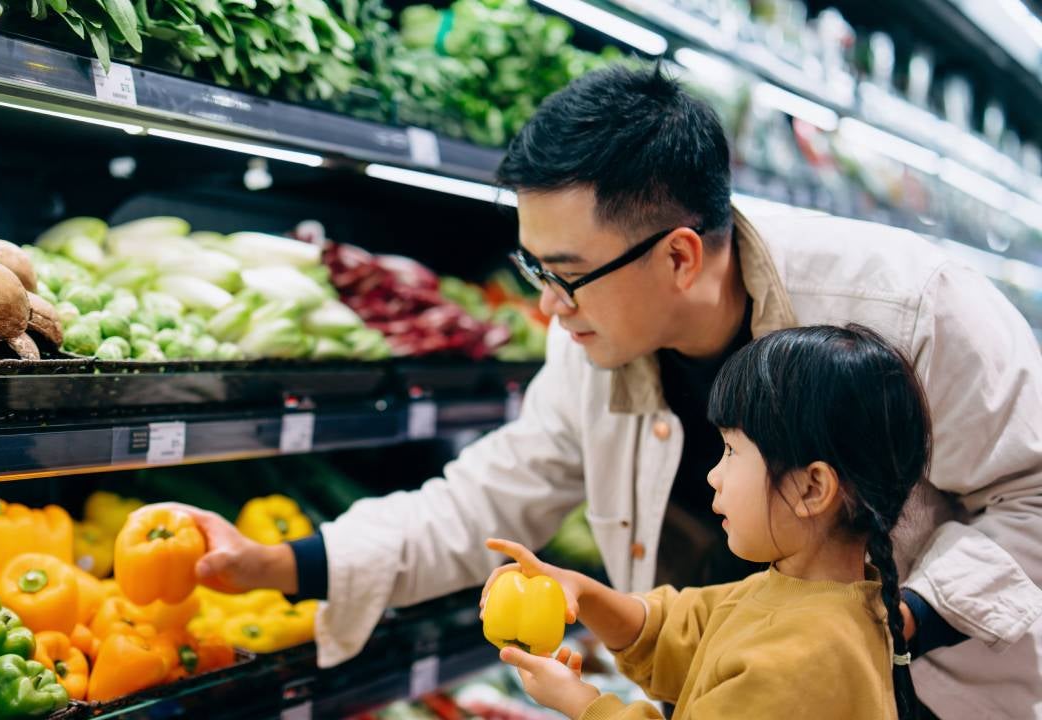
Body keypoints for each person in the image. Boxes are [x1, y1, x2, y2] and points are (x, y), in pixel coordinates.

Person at [182, 64, 1042, 718]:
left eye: (567, 274)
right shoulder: (595, 341)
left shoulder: (911, 304)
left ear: (678, 255)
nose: (547, 305)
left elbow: (1033, 494)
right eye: (533, 267)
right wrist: (284, 564)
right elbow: (489, 494)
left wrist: (905, 618)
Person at [484, 324, 928, 720]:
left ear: (812, 488)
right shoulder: (802, 595)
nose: (714, 474)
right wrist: (582, 591)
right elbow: (684, 629)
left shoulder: (799, 661)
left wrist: (582, 705)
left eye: (732, 451)